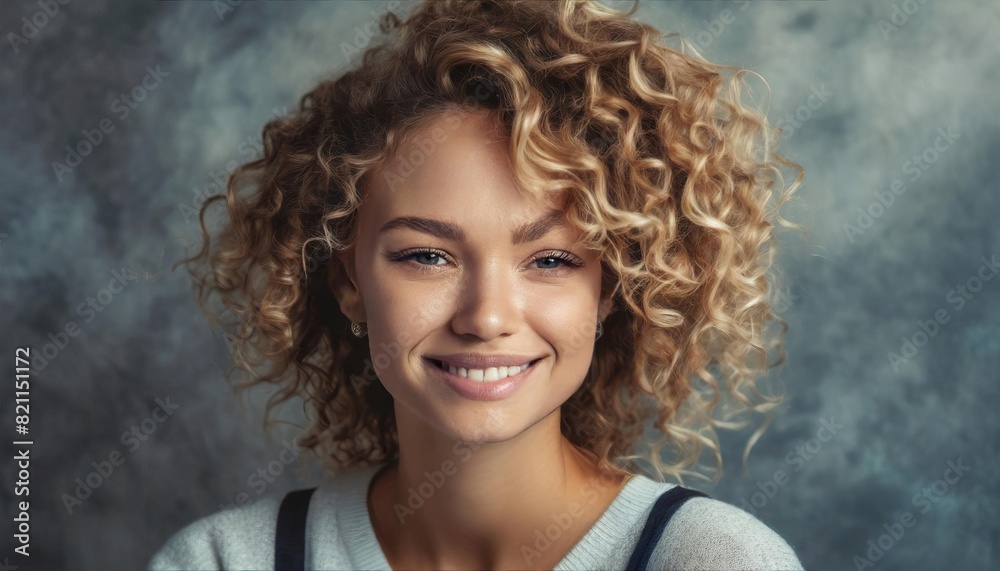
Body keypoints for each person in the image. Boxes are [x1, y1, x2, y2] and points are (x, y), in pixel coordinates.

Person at [151, 0, 806, 569]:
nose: (486, 316)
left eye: (550, 260)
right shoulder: (223, 560)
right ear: (348, 278)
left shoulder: (715, 560)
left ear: (610, 286)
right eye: (427, 256)